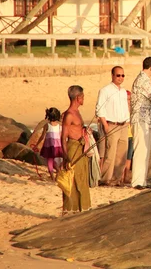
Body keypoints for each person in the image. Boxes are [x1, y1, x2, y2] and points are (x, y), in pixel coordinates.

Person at [96, 66, 130, 186]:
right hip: (112, 125)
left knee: (121, 155)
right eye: (118, 75)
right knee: (110, 154)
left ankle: (116, 179)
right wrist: (105, 125)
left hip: (124, 125)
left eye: (122, 75)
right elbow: (99, 109)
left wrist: (127, 121)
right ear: (112, 75)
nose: (120, 78)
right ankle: (105, 179)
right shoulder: (105, 90)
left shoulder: (123, 91)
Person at [130, 57, 151, 189]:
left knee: (145, 151)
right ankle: (137, 181)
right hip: (140, 119)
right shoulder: (143, 79)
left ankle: (142, 180)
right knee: (141, 150)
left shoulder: (143, 79)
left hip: (145, 119)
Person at [61, 85, 91, 213]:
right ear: (78, 98)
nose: (84, 99)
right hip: (73, 149)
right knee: (73, 180)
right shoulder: (69, 115)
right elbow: (63, 137)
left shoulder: (77, 112)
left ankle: (82, 208)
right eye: (83, 96)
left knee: (82, 178)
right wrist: (66, 156)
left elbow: (78, 130)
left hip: (81, 147)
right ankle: (71, 209)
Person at [34, 107, 63, 181]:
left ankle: (53, 177)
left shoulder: (47, 125)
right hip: (57, 145)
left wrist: (37, 145)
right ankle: (58, 173)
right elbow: (61, 137)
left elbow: (42, 136)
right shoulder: (59, 126)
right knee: (57, 161)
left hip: (48, 146)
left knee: (50, 161)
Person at [123, 90, 133, 184]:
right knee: (122, 157)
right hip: (124, 135)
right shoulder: (121, 109)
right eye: (127, 99)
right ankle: (121, 177)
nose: (128, 101)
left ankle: (126, 176)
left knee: (129, 157)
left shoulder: (132, 110)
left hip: (131, 134)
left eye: (129, 99)